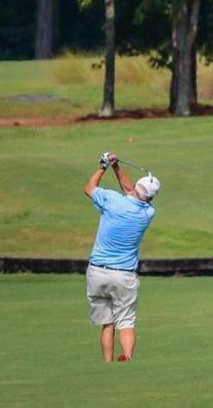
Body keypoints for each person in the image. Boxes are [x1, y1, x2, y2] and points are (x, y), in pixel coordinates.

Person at [83, 152, 160, 362]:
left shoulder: (113, 201)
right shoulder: (148, 213)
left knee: (108, 323)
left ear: (136, 186)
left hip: (98, 272)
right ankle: (127, 356)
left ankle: (107, 363)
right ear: (151, 197)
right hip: (124, 276)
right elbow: (132, 192)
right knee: (126, 321)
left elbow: (89, 188)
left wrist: (103, 166)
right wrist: (117, 168)